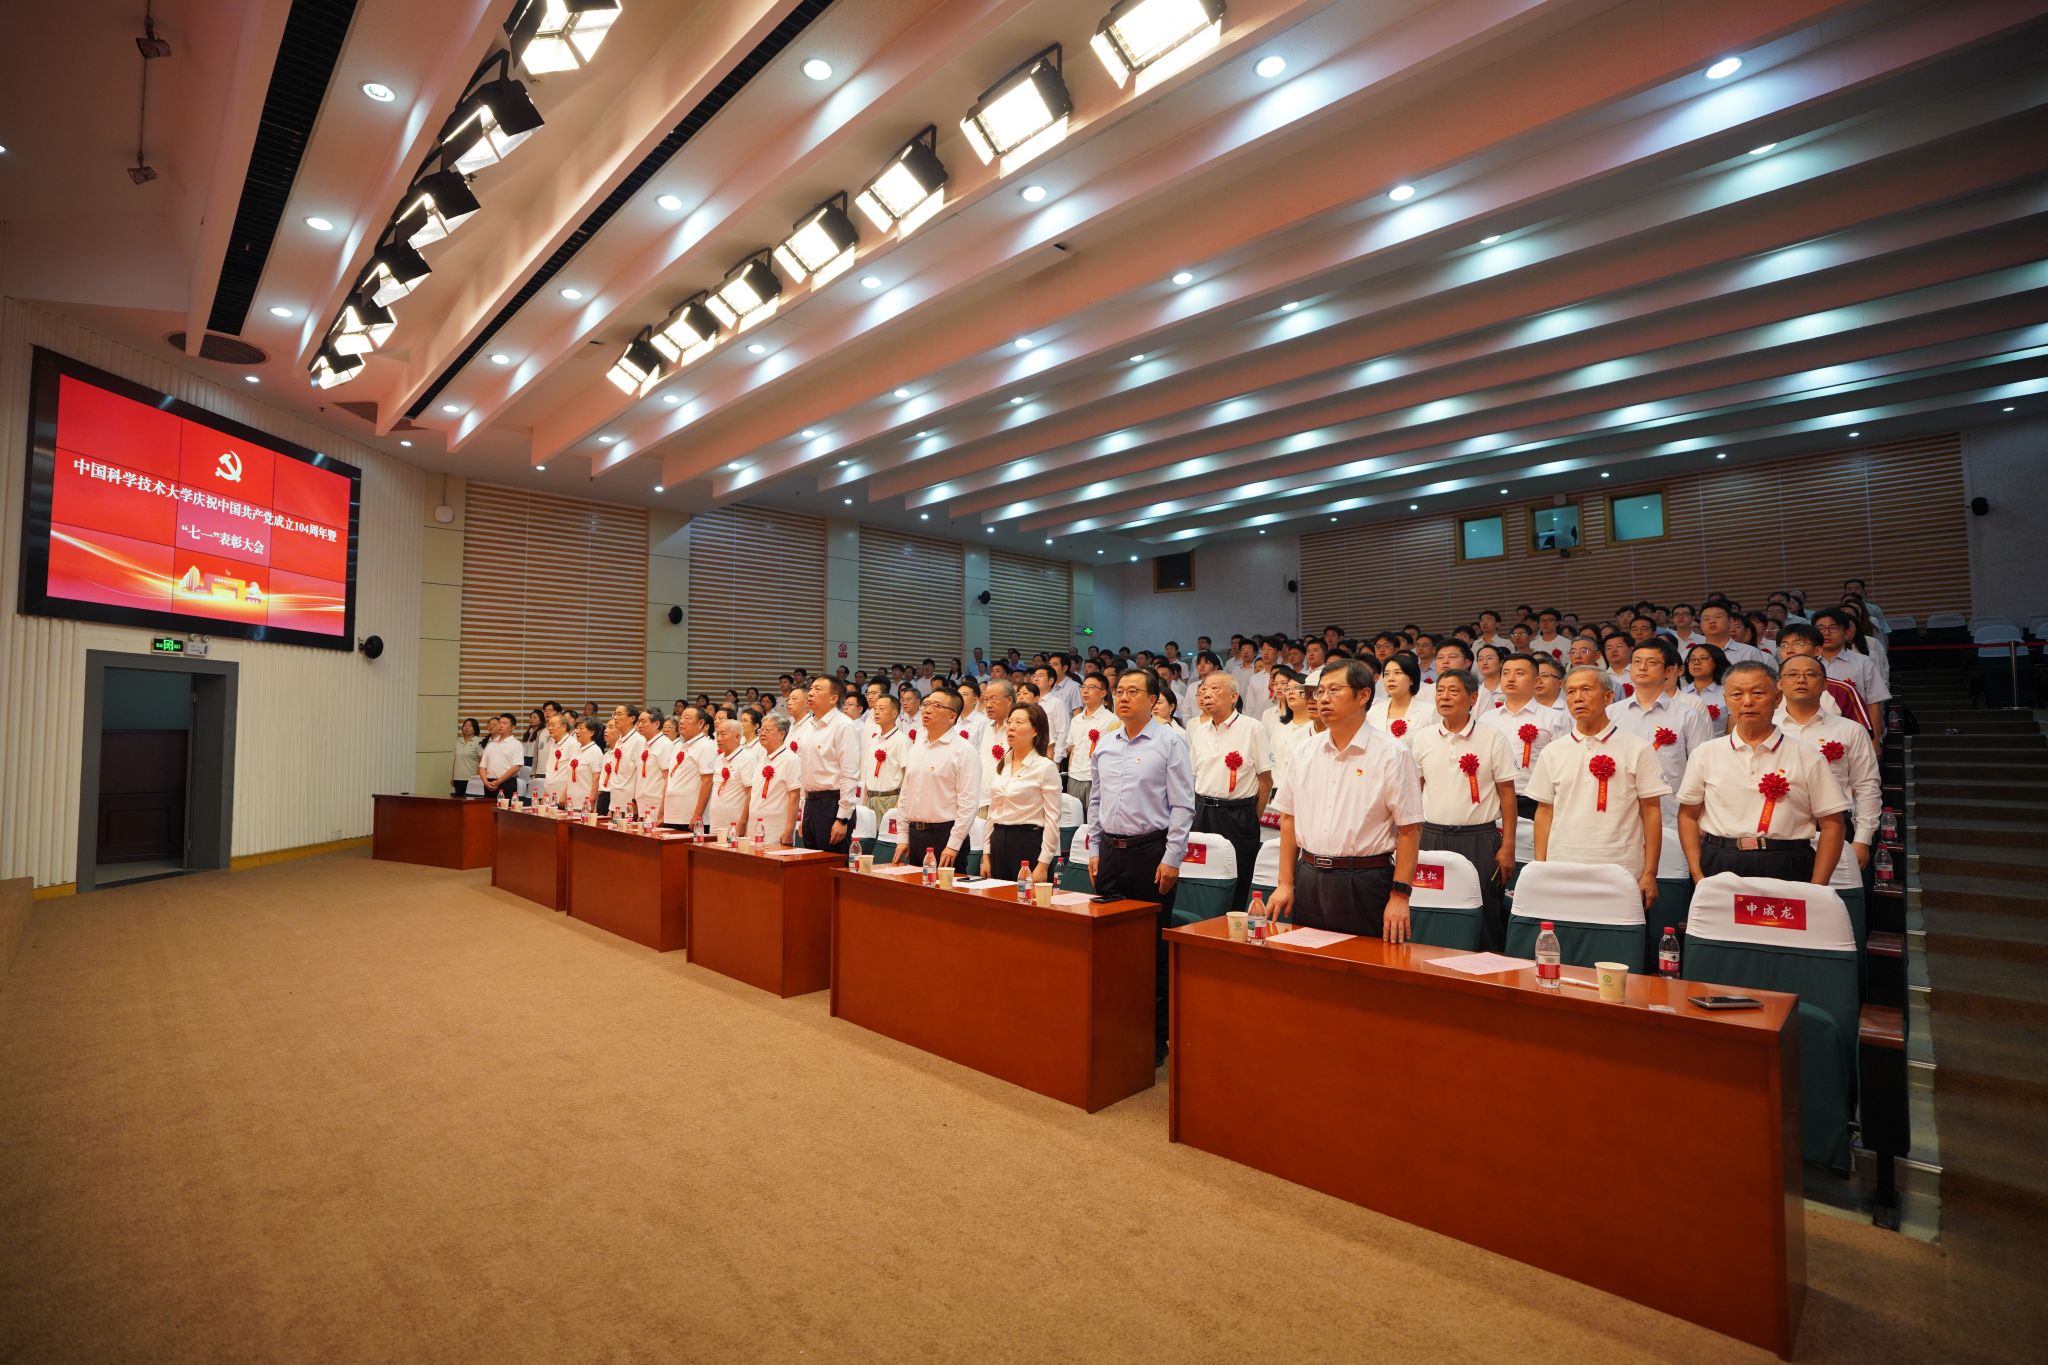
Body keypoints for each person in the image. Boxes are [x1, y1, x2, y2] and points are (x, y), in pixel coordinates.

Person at [1266, 659, 1422, 942]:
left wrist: (1400, 895)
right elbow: (1289, 817)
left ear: (1363, 695)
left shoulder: (1392, 754)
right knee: (1307, 960)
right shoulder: (1305, 751)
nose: (1323, 699)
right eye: (1320, 691)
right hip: (1309, 875)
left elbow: (1410, 828)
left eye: (1334, 690)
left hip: (1364, 880)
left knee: (1360, 964)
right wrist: (1285, 882)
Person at [1088, 668, 1195, 1066]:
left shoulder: (1170, 741)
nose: (1124, 697)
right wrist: (1094, 848)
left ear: (1153, 700)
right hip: (1110, 853)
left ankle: (1154, 1038)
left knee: (1151, 950)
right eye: (1120, 691)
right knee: (1111, 946)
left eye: (1134, 691)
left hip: (1151, 854)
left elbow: (1182, 804)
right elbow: (1095, 800)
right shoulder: (1106, 742)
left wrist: (1172, 857)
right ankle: (1115, 1029)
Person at [1677, 662, 1849, 883]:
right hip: (1720, 860)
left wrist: (1818, 886)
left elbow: (1833, 824)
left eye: (1758, 693)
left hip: (1788, 860)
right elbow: (1688, 815)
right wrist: (1697, 873)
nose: (1747, 702)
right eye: (1737, 694)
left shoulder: (1807, 756)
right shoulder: (1705, 753)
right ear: (1726, 700)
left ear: (1777, 698)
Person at [1527, 667, 1668, 911]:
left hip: (1621, 867)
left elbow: (1652, 812)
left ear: (1608, 697)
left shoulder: (1637, 748)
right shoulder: (1553, 751)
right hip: (1563, 865)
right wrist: (1541, 866)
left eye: (1586, 690)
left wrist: (1649, 872)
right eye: (1571, 692)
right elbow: (1544, 812)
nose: (1578, 698)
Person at [1411, 668, 1517, 949]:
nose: (1444, 696)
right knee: (1433, 907)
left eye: (1453, 691)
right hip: (1432, 838)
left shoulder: (1492, 736)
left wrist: (1508, 846)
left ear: (1473, 697)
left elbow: (1507, 794)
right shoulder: (1423, 737)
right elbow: (1415, 791)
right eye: (1440, 691)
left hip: (1479, 839)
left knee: (1485, 912)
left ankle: (1488, 967)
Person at [1774, 652, 1880, 903]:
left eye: (1810, 674)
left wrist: (1862, 839)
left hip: (1834, 831)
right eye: (1792, 674)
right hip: (1779, 838)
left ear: (1824, 685)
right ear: (1779, 683)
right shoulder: (1767, 729)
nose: (1801, 680)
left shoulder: (1850, 730)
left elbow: (1866, 786)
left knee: (1838, 909)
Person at [1187, 672, 1271, 912]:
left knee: (1239, 873)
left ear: (1233, 696)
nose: (1207, 694)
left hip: (1238, 814)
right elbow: (1194, 775)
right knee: (1201, 872)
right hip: (1203, 811)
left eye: (1215, 689)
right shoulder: (1200, 730)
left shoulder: (1252, 728)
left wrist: (1252, 815)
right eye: (1204, 689)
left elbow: (1265, 780)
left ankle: (1235, 924)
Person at [892, 689, 978, 869]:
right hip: (915, 834)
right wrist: (903, 837)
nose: (927, 710)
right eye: (926, 704)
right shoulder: (917, 747)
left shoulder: (964, 750)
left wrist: (953, 845)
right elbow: (906, 794)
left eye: (937, 706)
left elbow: (968, 804)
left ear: (952, 717)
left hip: (944, 835)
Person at [988, 703, 1063, 883]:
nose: (1011, 727)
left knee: (1027, 898)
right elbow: (993, 811)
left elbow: (1052, 819)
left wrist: (1043, 864)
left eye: (1019, 722)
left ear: (1036, 730)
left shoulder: (1045, 767)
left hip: (1027, 842)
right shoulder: (1003, 764)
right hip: (998, 840)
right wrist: (986, 854)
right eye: (1010, 721)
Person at [795, 677, 861, 854]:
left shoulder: (844, 725)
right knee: (811, 862)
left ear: (833, 698)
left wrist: (842, 819)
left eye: (818, 689)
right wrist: (803, 813)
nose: (810, 693)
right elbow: (805, 772)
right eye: (811, 689)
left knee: (832, 863)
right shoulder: (809, 726)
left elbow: (849, 774)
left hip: (832, 804)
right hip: (811, 803)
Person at [1064, 671, 1113, 808]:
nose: (1085, 691)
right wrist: (1071, 771)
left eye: (1091, 687)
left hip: (1096, 779)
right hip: (1074, 777)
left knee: (1095, 817)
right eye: (1083, 687)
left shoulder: (1111, 720)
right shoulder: (1076, 720)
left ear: (1103, 693)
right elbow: (1072, 749)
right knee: (1074, 816)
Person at [661, 712, 713, 832]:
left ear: (700, 723)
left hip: (690, 818)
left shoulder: (705, 746)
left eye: (687, 718)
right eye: (682, 718)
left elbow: (707, 781)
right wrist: (665, 813)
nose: (682, 721)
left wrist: (697, 815)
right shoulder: (678, 746)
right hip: (672, 815)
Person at [752, 715, 800, 845]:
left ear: (781, 734)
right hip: (755, 824)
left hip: (776, 827)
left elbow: (794, 796)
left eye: (767, 730)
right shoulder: (762, 759)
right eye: (761, 730)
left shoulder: (791, 759)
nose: (762, 733)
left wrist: (789, 830)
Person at [704, 719, 756, 838]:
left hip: (735, 824)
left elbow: (751, 792)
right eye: (717, 734)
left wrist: (743, 822)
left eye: (723, 734)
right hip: (716, 822)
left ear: (737, 737)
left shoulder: (747, 758)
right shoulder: (719, 759)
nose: (718, 738)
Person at [864, 693, 909, 824]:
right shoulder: (874, 740)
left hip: (890, 798)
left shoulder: (902, 740)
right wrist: (864, 802)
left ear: (894, 713)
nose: (877, 712)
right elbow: (869, 774)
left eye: (882, 709)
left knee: (886, 837)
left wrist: (898, 805)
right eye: (875, 708)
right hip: (870, 798)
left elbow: (907, 776)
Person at [1366, 651, 1430, 741]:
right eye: (1386, 674)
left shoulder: (1429, 711)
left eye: (1397, 673)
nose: (1390, 678)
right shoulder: (1372, 712)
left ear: (1412, 679)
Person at [629, 707, 674, 823]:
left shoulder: (665, 744)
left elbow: (668, 778)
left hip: (657, 804)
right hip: (642, 803)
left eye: (643, 721)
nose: (639, 725)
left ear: (656, 724)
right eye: (638, 722)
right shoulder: (643, 743)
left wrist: (662, 811)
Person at [1682, 643, 1730, 735]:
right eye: (1692, 659)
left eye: (1703, 658)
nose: (1696, 662)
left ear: (1717, 662)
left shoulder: (1727, 693)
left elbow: (1732, 730)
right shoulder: (1679, 693)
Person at [479, 714, 524, 802]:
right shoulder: (491, 743)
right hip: (489, 783)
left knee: (505, 809)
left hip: (507, 783)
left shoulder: (516, 744)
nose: (501, 725)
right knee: (488, 809)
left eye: (504, 723)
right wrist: (485, 782)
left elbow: (516, 767)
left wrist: (498, 781)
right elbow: (482, 766)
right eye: (499, 723)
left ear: (512, 727)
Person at [565, 716, 604, 811]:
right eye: (577, 728)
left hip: (585, 803)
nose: (577, 731)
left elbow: (596, 778)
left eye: (581, 728)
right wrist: (564, 795)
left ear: (591, 732)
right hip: (571, 801)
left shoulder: (595, 751)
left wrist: (592, 800)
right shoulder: (576, 749)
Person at [539, 711, 575, 805]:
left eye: (553, 725)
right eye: (548, 725)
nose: (550, 728)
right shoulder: (553, 744)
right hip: (549, 794)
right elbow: (549, 770)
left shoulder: (573, 744)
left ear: (564, 727)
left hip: (563, 796)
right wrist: (545, 793)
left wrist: (565, 795)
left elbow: (573, 773)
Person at [451, 718, 483, 798]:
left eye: (470, 726)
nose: (466, 728)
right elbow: (456, 760)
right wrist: (453, 777)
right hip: (458, 778)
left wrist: (477, 778)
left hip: (471, 779)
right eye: (465, 725)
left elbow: (482, 762)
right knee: (458, 801)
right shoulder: (458, 741)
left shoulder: (479, 742)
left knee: (470, 802)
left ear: (475, 728)